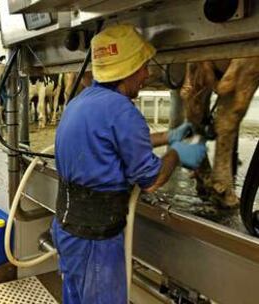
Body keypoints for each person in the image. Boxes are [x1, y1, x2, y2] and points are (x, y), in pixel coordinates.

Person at [52, 24, 207, 304]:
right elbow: (152, 181)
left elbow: (117, 139)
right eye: (143, 67)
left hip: (67, 229)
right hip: (96, 241)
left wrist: (169, 135)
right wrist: (177, 152)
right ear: (126, 70)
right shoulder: (123, 110)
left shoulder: (81, 102)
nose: (147, 75)